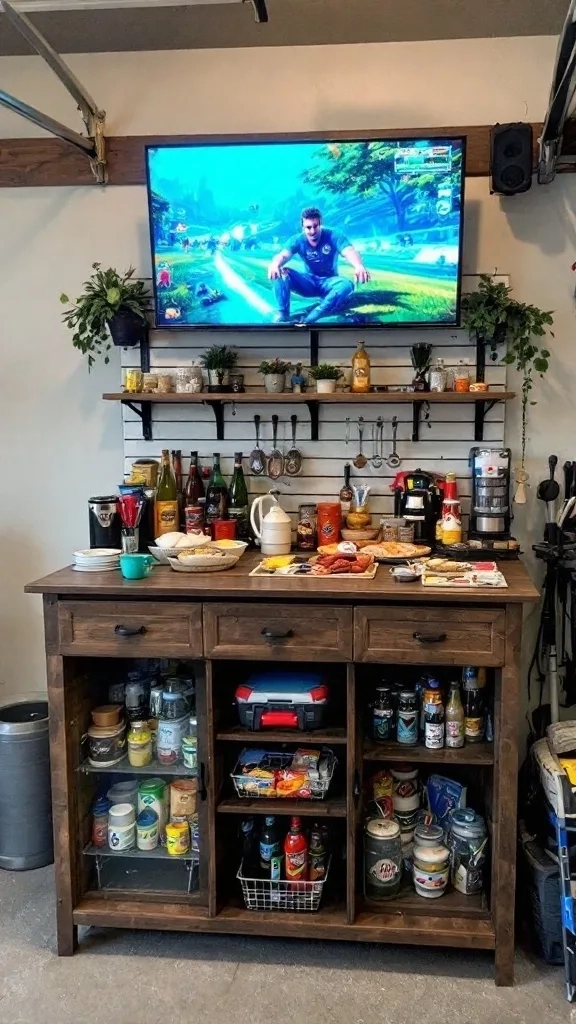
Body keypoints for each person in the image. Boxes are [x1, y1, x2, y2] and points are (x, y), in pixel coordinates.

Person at [267, 207, 370, 324]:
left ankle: (313, 317)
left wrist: (358, 265)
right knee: (281, 272)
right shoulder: (297, 240)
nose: (312, 231)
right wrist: (275, 264)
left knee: (347, 285)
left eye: (315, 226)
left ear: (320, 223)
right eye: (308, 227)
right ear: (303, 227)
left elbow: (349, 251)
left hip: (329, 283)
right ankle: (283, 316)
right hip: (308, 283)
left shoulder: (333, 235)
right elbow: (283, 256)